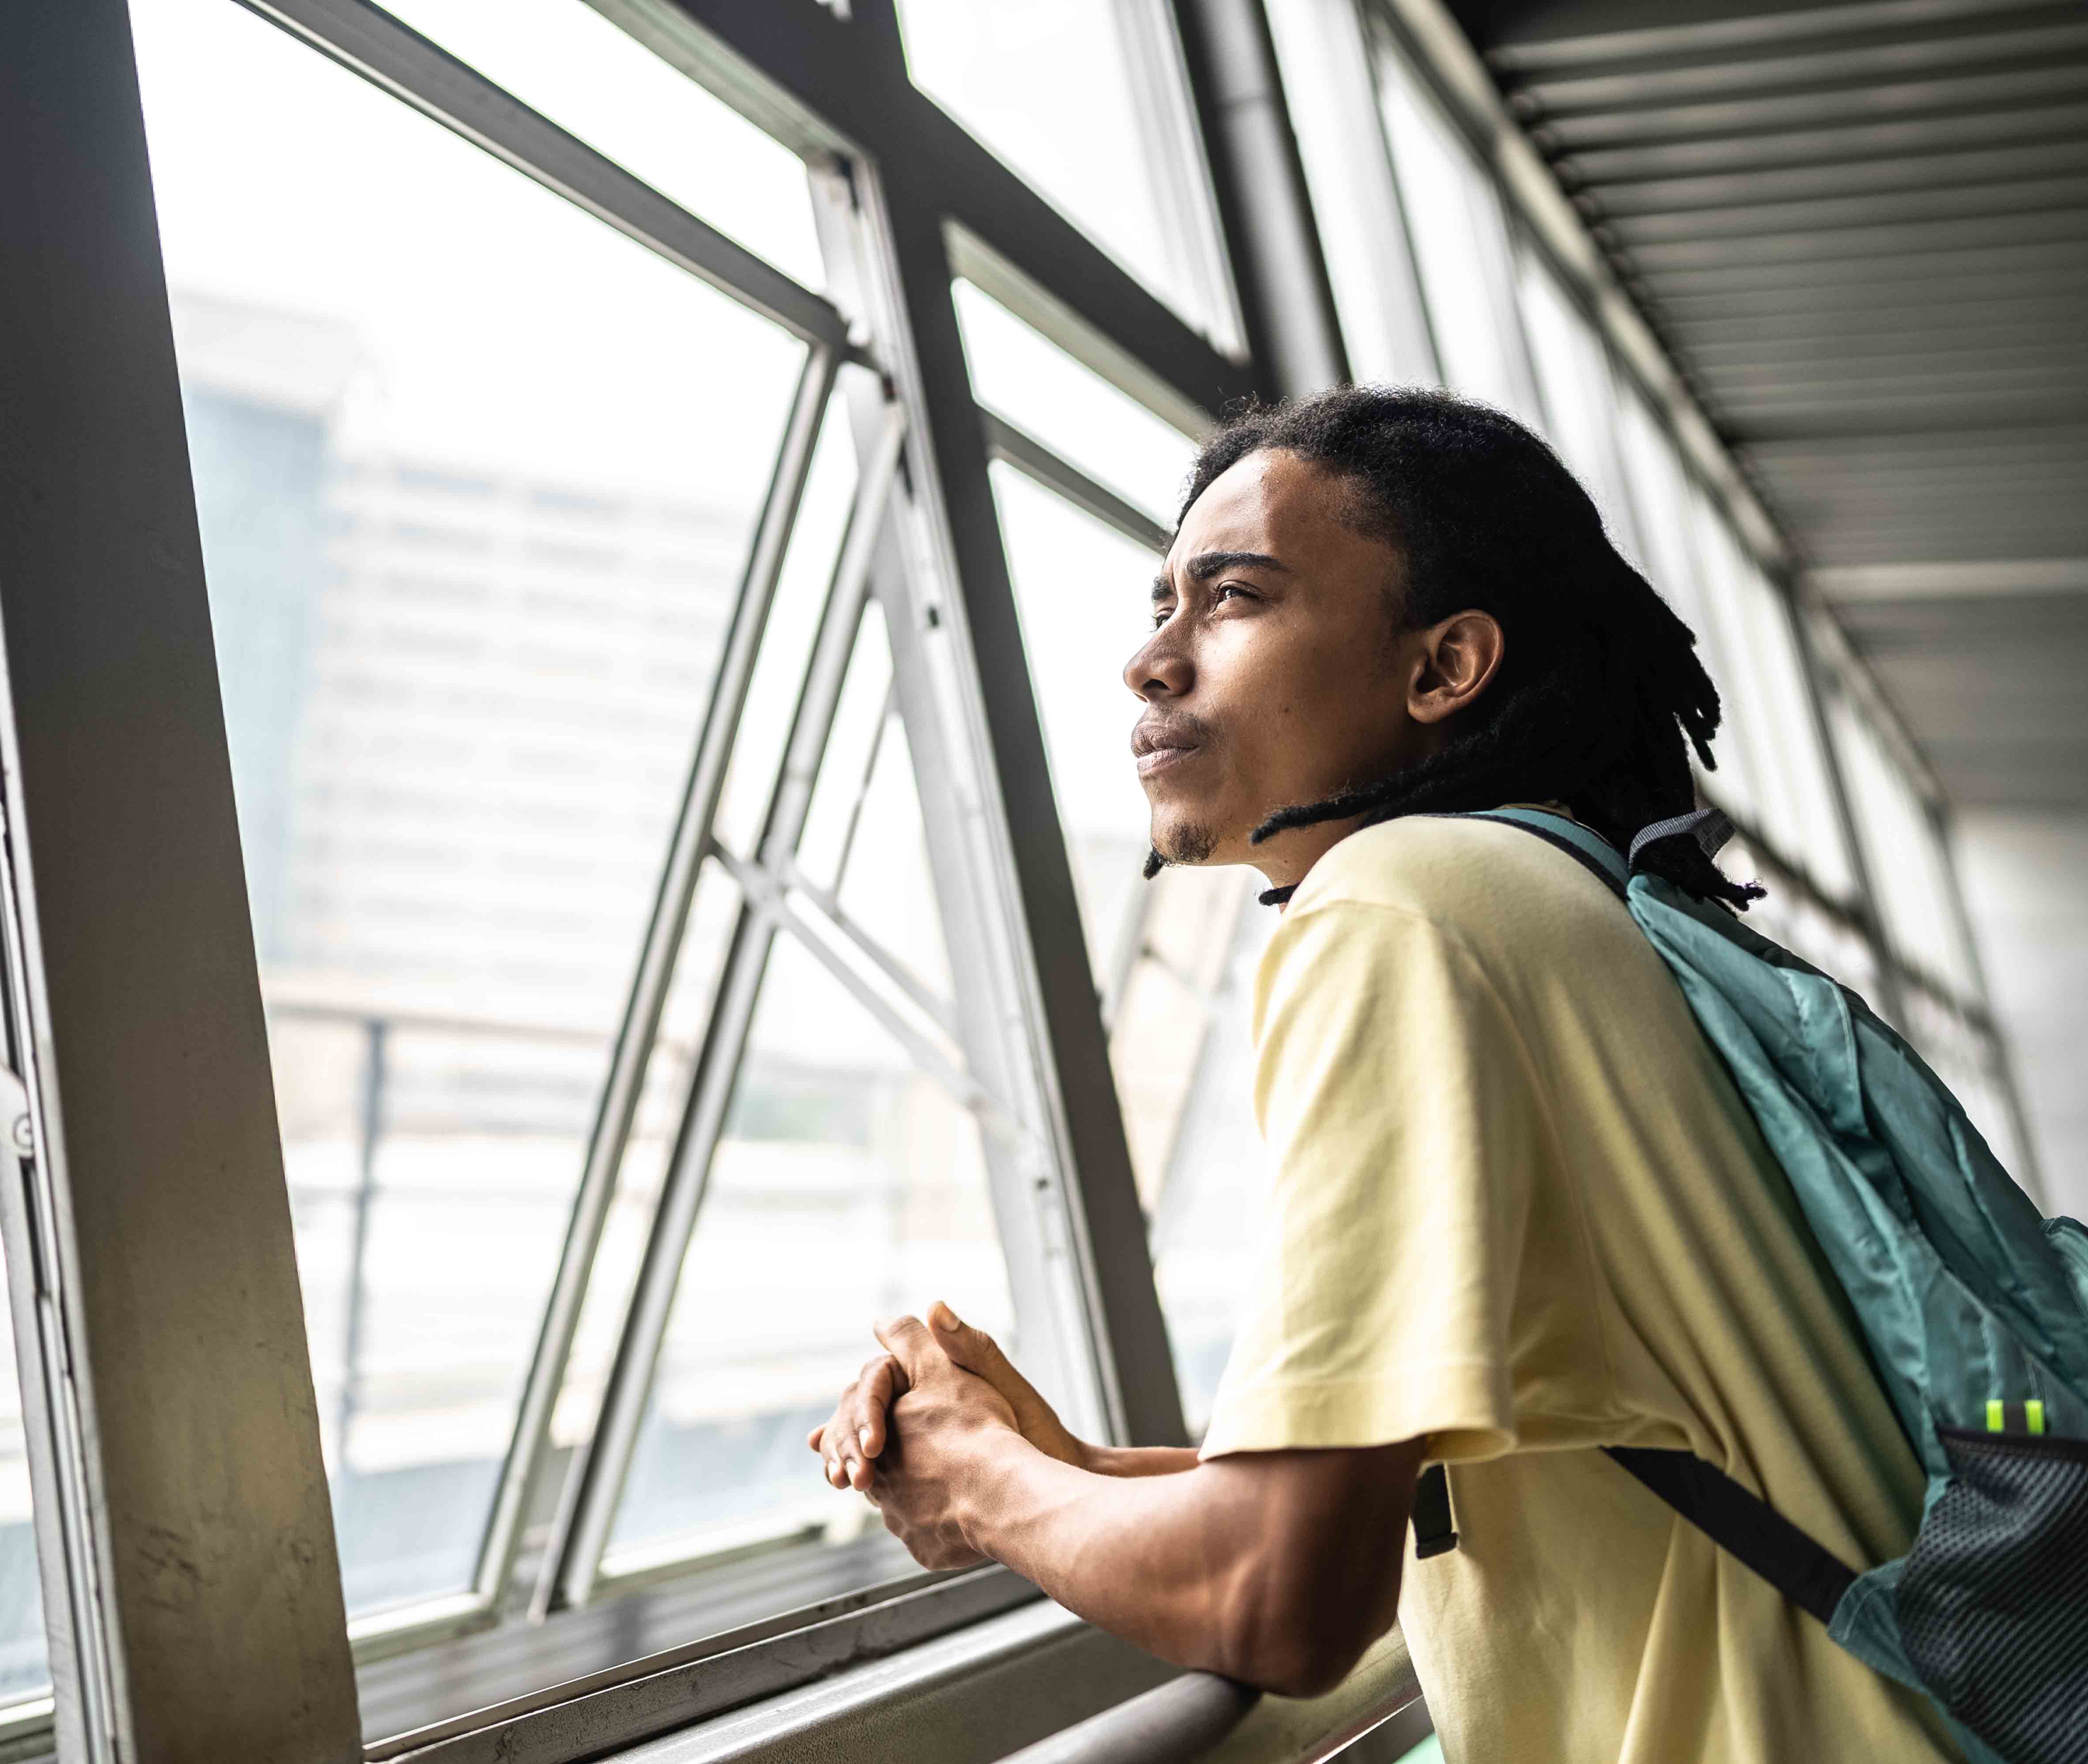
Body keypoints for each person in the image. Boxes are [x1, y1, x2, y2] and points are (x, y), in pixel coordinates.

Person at [807, 387, 1958, 1761]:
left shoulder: (1401, 908)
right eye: (1160, 603)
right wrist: (1060, 1462)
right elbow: (1461, 1483)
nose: (1151, 662)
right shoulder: (1581, 906)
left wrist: (983, 1490)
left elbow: (1286, 1596)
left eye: (1229, 599)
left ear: (1443, 667)